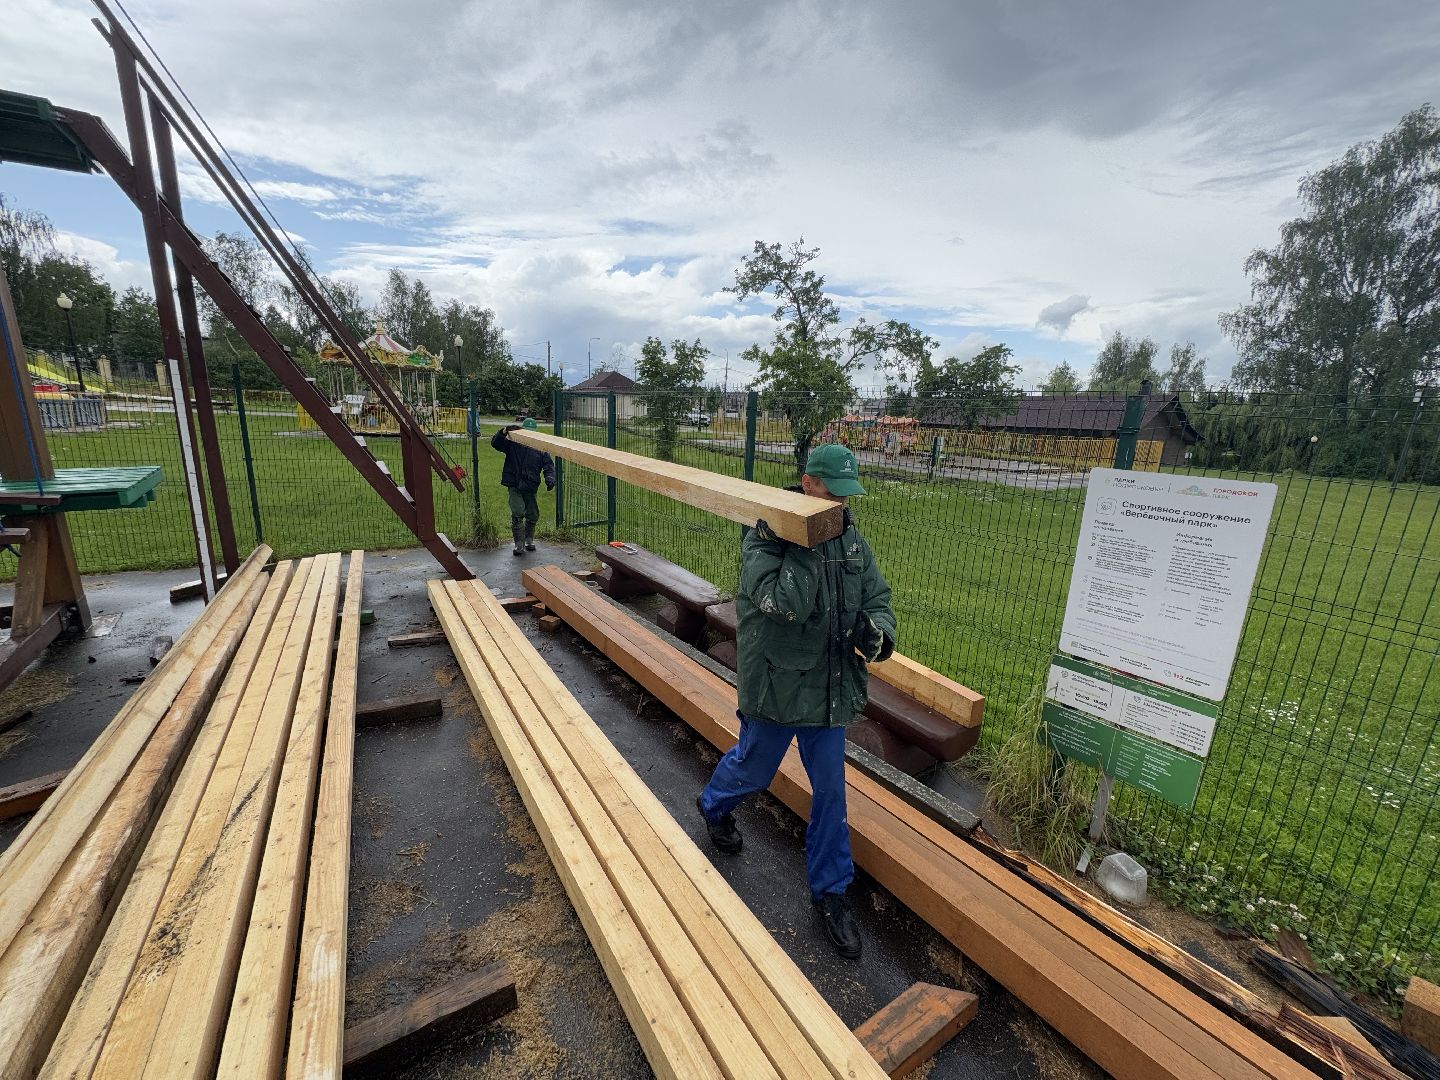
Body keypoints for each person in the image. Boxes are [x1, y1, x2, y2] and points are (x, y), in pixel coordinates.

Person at [696, 443, 896, 959]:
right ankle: (715, 806)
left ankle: (831, 893)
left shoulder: (849, 535)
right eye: (835, 494)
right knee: (754, 769)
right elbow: (784, 604)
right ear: (808, 485)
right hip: (776, 683)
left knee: (830, 791)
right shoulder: (764, 535)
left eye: (849, 496)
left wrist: (878, 631)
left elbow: (876, 596)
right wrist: (805, 541)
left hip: (828, 688)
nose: (843, 507)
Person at [491, 417, 555, 556]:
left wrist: (550, 478)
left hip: (531, 485)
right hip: (514, 483)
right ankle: (519, 544)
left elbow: (548, 465)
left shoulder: (540, 448)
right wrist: (503, 432)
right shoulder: (512, 443)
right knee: (517, 511)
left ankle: (528, 540)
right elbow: (496, 444)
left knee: (533, 514)